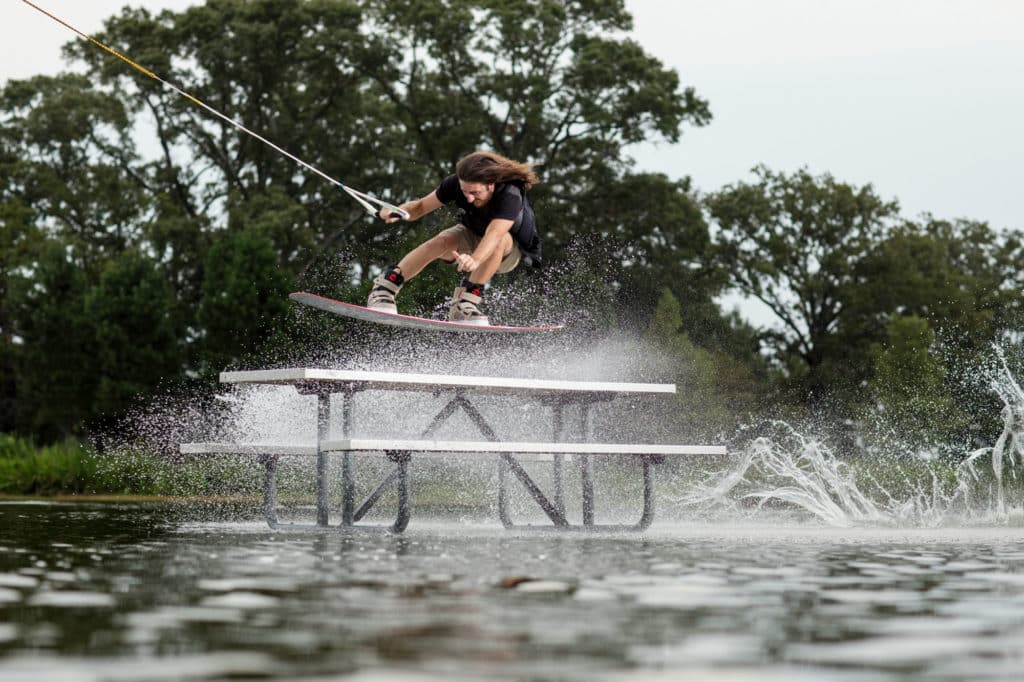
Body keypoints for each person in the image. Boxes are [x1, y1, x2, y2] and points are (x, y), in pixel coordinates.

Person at [367, 151, 542, 326]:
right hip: (472, 233)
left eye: (474, 192)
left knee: (500, 239)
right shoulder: (455, 184)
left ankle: (465, 303)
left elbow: (495, 233)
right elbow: (420, 207)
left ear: (491, 185)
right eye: (465, 191)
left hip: (507, 251)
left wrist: (475, 259)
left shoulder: (510, 194)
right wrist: (397, 211)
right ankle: (384, 289)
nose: (469, 198)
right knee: (441, 241)